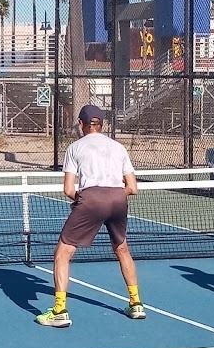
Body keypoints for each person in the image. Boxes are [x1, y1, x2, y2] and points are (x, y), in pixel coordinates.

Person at [36, 104, 146, 327]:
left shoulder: (75, 148)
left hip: (91, 199)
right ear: (103, 124)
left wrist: (85, 199)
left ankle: (59, 311)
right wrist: (111, 194)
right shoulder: (118, 147)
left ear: (80, 124)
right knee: (122, 248)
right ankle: (136, 304)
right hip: (118, 199)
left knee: (62, 252)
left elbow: (68, 190)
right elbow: (132, 188)